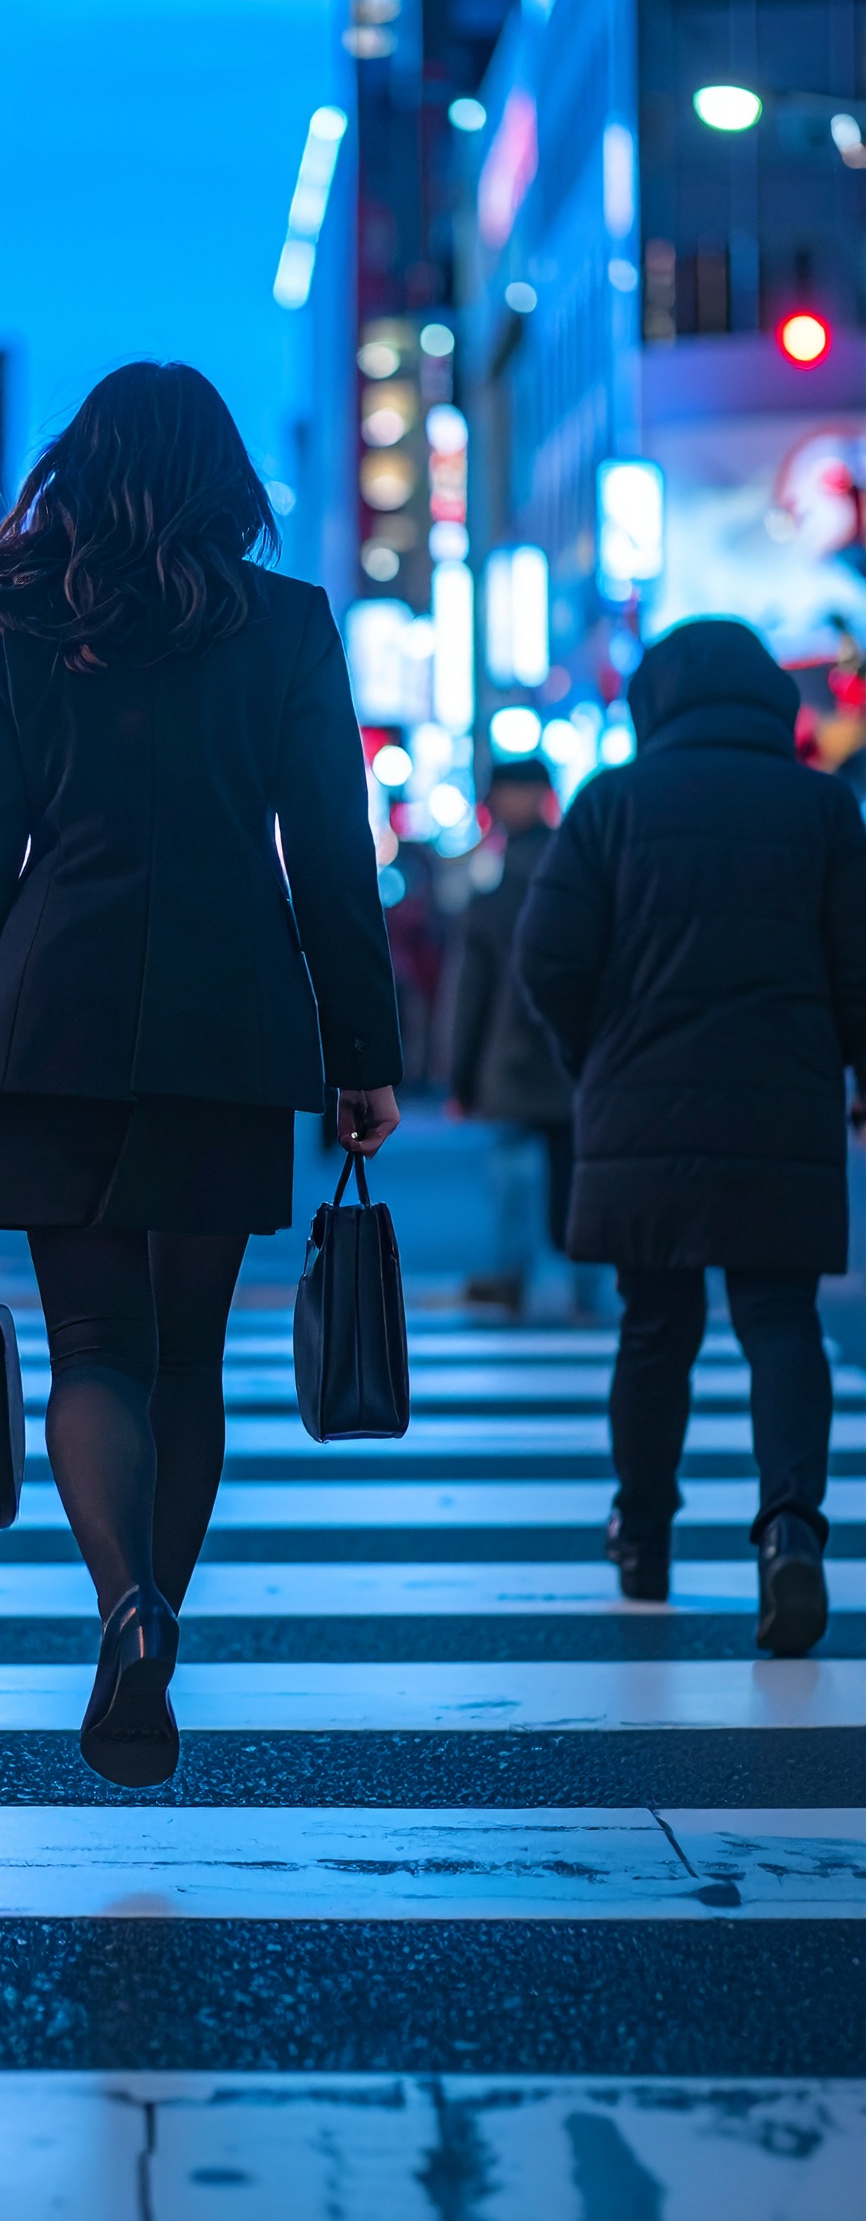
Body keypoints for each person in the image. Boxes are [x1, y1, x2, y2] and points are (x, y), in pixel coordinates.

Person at [0, 362, 403, 1786]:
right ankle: (159, 1612)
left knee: (92, 1347)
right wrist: (362, 1055)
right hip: (227, 1020)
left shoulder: (17, 624)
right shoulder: (286, 624)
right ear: (225, 479)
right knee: (187, 1358)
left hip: (44, 1016)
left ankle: (121, 1602)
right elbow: (334, 851)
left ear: (82, 469)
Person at [516, 617, 866, 1656]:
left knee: (654, 1326)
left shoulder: (611, 804)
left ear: (654, 703)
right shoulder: (822, 807)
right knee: (782, 1321)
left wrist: (595, 1054)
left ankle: (644, 1535)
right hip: (785, 1100)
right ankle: (790, 1529)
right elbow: (859, 965)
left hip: (642, 1103)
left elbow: (547, 957)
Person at [448, 757, 579, 1315]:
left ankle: (511, 1274)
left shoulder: (501, 878)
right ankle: (583, 1284)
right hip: (570, 1050)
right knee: (573, 1169)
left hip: (514, 1049)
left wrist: (462, 1074)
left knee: (516, 1170)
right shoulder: (575, 863)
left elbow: (474, 987)